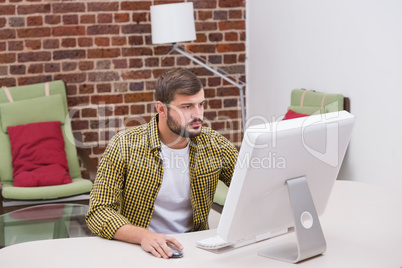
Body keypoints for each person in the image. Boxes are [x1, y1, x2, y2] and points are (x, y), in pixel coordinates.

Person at [86, 67, 238, 259]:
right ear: (161, 109)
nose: (198, 115)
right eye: (187, 107)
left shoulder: (215, 144)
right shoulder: (124, 145)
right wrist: (144, 236)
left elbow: (249, 188)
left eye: (201, 104)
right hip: (139, 250)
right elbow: (98, 211)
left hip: (193, 251)